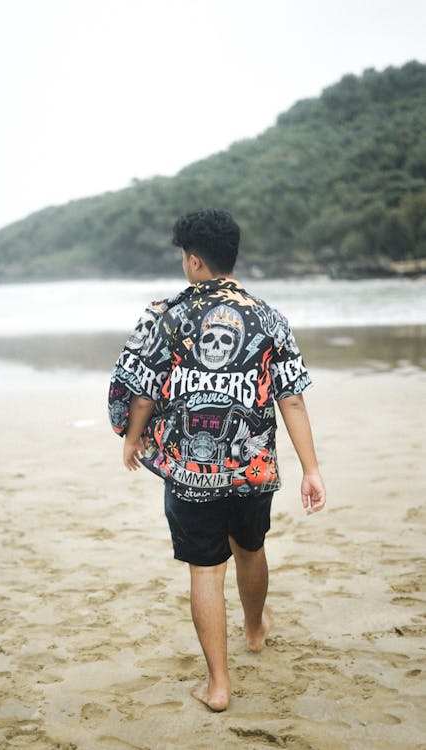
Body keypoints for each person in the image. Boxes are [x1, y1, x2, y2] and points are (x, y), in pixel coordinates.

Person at [108, 208, 326, 712]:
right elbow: (291, 398)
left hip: (189, 473)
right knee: (250, 547)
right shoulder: (270, 318)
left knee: (206, 571)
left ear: (193, 260)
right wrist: (311, 469)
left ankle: (219, 686)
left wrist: (131, 437)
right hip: (253, 470)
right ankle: (254, 629)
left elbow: (140, 390)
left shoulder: (165, 315)